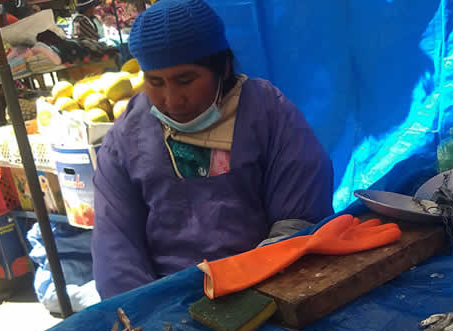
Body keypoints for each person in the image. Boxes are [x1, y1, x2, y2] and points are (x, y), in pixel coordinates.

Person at [92, 0, 334, 299]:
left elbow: (299, 218)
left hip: (267, 285)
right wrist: (149, 318)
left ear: (222, 67)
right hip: (166, 303)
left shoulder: (267, 111)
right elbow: (115, 248)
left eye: (185, 80)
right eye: (155, 82)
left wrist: (259, 290)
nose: (172, 99)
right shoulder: (126, 136)